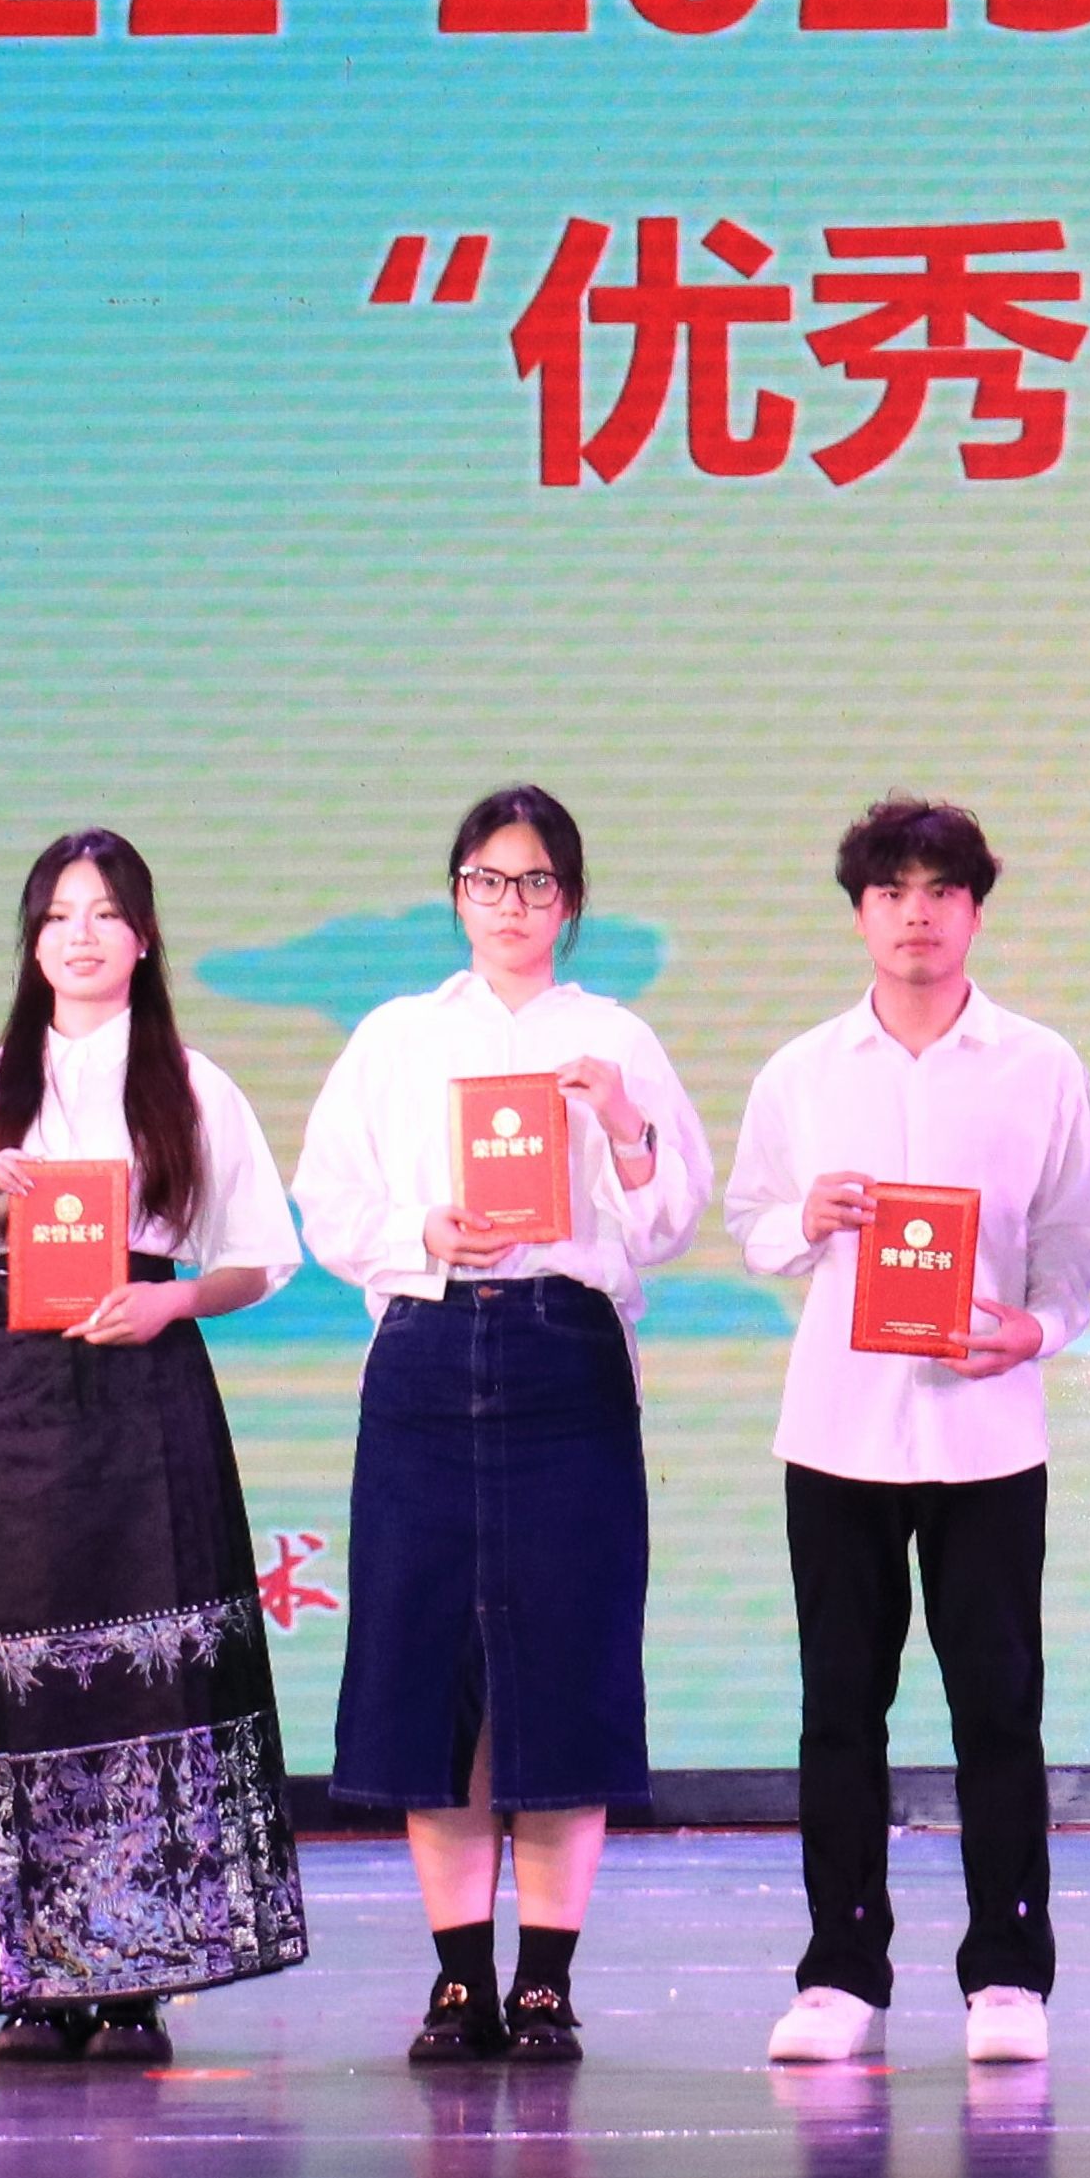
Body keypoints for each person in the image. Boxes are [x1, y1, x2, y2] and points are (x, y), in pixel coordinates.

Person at [292, 784, 717, 2066]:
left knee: (563, 1662)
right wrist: (418, 1230)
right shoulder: (398, 1035)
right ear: (458, 893)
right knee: (432, 1663)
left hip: (563, 1354)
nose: (512, 903)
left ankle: (544, 1982)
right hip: (427, 1350)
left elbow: (671, 1222)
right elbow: (328, 1199)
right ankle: (457, 1977)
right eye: (489, 879)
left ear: (569, 901)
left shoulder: (615, 1037)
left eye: (537, 882)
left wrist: (626, 1127)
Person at [0, 829, 312, 2061]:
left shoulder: (190, 1082)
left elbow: (257, 1256)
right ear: (33, 942)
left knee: (146, 1673)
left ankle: (137, 1972)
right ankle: (33, 1975)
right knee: (19, 1670)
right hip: (15, 1395)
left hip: (146, 1390)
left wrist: (170, 1300)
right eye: (59, 913)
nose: (81, 933)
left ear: (143, 937)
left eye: (106, 911)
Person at [726, 797, 1090, 2068]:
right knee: (840, 1707)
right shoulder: (801, 1070)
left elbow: (1077, 1237)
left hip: (986, 1432)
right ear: (858, 912)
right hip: (838, 1430)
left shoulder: (1038, 1063)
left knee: (998, 1707)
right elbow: (750, 1221)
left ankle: (1007, 1969)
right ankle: (841, 1970)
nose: (916, 912)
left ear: (975, 911)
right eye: (891, 889)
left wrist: (1038, 1329)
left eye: (942, 888)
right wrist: (804, 1218)